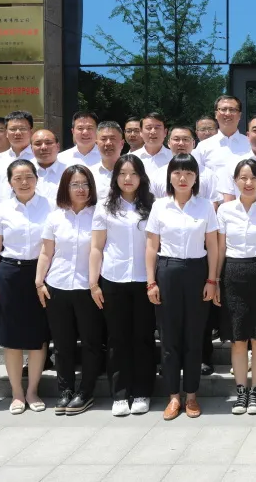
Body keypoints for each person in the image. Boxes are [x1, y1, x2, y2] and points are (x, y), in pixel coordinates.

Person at [145, 154, 220, 420]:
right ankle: (173, 397)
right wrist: (151, 282)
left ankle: (191, 395)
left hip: (197, 272)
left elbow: (213, 246)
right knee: (169, 338)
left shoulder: (205, 206)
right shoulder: (160, 207)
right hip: (167, 271)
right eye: (177, 172)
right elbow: (151, 247)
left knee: (194, 337)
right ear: (170, 177)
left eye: (188, 173)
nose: (183, 178)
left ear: (196, 177)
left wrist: (212, 280)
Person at [0, 158, 52, 415]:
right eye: (18, 178)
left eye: (29, 177)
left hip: (40, 274)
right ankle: (17, 393)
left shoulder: (49, 206)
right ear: (10, 182)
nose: (24, 182)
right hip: (9, 274)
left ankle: (33, 390)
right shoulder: (1, 210)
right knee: (11, 338)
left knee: (38, 337)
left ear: (37, 178)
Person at [90, 154, 156, 417]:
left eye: (133, 173)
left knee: (143, 338)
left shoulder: (152, 205)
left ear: (141, 177)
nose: (128, 179)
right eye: (122, 174)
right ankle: (119, 394)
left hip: (144, 280)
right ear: (115, 177)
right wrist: (93, 283)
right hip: (113, 279)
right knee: (117, 338)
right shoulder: (105, 206)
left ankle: (142, 391)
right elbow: (97, 247)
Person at [34, 165, 102, 415]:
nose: (81, 189)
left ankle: (86, 391)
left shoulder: (99, 215)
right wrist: (39, 282)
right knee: (62, 344)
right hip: (57, 286)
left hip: (88, 288)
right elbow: (46, 252)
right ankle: (65, 390)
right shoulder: (55, 217)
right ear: (66, 187)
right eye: (75, 184)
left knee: (91, 342)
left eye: (85, 184)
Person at [218, 158, 256, 415]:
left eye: (253, 178)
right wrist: (214, 280)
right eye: (243, 178)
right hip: (232, 274)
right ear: (235, 181)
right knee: (238, 339)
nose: (248, 182)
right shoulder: (225, 210)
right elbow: (220, 248)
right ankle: (241, 391)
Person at [0, 110, 35, 206]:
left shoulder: (39, 159)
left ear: (31, 132)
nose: (17, 133)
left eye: (22, 128)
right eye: (13, 129)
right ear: (6, 133)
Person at [198, 95, 251, 175]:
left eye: (232, 110)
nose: (227, 113)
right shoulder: (203, 147)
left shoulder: (250, 144)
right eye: (223, 109)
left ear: (239, 115)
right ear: (216, 114)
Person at [31, 129, 68, 203]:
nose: (43, 147)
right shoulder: (24, 172)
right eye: (38, 144)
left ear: (58, 146)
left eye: (48, 143)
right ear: (31, 148)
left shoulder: (68, 172)